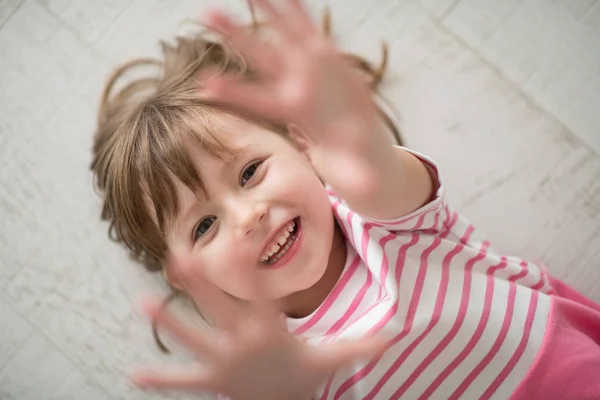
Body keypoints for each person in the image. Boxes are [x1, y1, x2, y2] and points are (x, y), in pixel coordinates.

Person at [90, 0, 600, 399]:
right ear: (186, 276)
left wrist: (354, 133)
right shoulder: (262, 366)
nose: (248, 216)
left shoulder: (379, 215)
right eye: (204, 227)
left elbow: (377, 177)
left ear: (304, 145)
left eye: (250, 172)